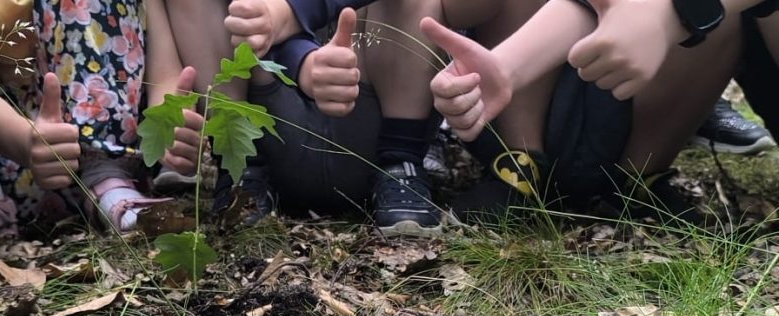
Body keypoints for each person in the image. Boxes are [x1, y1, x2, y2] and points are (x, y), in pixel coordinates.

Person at [168, 0, 558, 234]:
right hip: (265, 124)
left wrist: (292, 13)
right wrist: (301, 61)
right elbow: (247, 21)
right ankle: (239, 170)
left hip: (373, 117)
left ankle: (401, 166)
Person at [423, 0, 775, 221]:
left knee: (724, 18)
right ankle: (521, 167)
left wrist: (673, 15)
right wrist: (506, 67)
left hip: (653, 83)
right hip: (548, 85)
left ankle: (638, 183)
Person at [0, 0, 203, 239]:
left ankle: (106, 173)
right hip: (11, 164)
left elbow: (165, 74)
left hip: (116, 163)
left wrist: (168, 123)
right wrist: (26, 142)